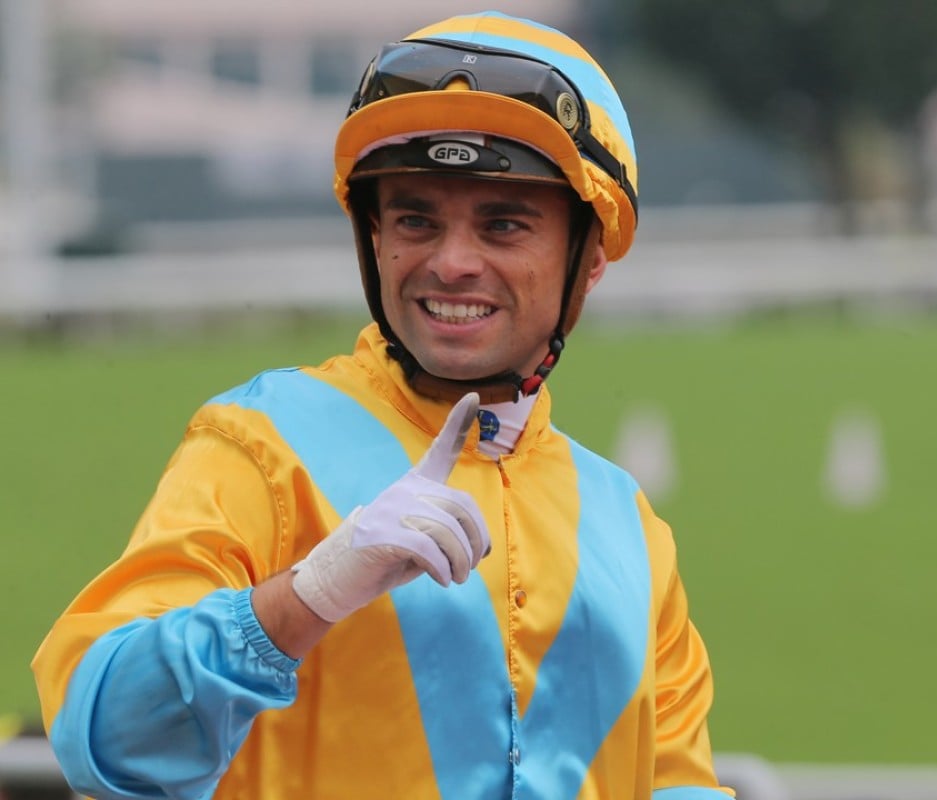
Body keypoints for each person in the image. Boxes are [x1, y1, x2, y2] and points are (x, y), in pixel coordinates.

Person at [31, 10, 733, 800]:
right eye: (414, 220)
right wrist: (304, 599)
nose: (452, 262)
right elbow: (102, 738)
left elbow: (680, 784)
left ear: (589, 259)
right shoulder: (259, 446)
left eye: (503, 224)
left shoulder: (630, 529)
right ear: (372, 238)